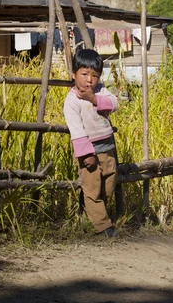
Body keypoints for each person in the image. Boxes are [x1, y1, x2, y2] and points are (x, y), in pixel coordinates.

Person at [63, 49, 119, 237]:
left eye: (94, 76)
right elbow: (77, 130)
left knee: (109, 185)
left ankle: (95, 215)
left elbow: (115, 103)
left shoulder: (100, 90)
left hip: (108, 148)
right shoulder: (71, 101)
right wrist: (87, 154)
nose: (89, 80)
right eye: (84, 74)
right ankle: (103, 226)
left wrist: (94, 99)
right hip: (91, 152)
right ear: (73, 74)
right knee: (93, 188)